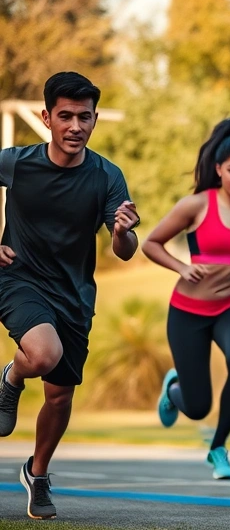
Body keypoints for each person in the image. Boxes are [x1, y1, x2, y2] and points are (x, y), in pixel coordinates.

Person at [0, 72, 140, 519]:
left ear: (95, 119)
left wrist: (123, 231)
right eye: (65, 116)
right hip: (19, 278)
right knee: (44, 354)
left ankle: (37, 474)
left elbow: (125, 250)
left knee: (59, 397)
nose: (75, 126)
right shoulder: (17, 163)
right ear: (47, 118)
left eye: (85, 117)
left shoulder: (107, 176)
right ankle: (14, 376)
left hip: (74, 296)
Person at [144, 119, 230, 480]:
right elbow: (151, 244)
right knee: (197, 406)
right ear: (219, 169)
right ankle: (174, 389)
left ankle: (218, 447)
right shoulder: (195, 206)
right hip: (187, 312)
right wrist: (181, 267)